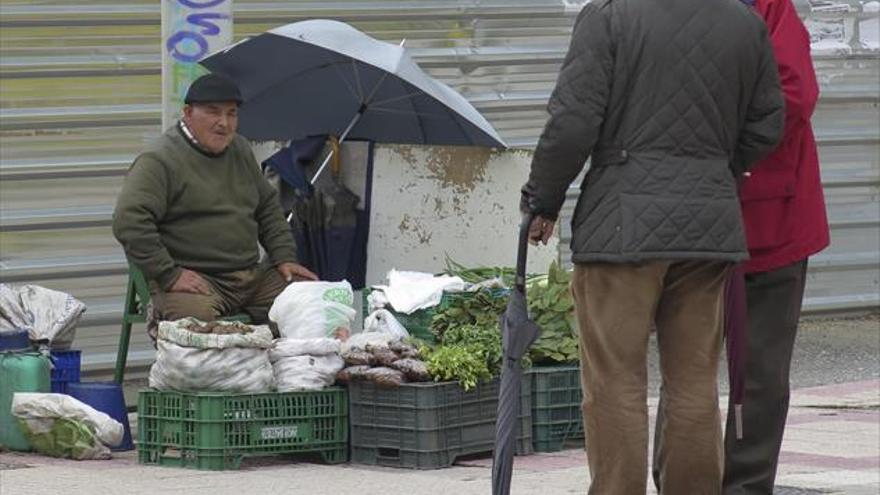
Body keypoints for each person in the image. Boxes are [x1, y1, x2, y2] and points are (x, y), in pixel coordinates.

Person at [520, 0, 785, 492]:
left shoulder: (610, 15)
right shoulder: (744, 21)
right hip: (708, 229)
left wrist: (543, 200)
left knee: (615, 381)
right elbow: (768, 122)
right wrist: (714, 170)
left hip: (622, 227)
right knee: (694, 381)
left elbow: (574, 120)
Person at [113, 73, 317, 336]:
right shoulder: (160, 159)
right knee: (198, 332)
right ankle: (221, 376)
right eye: (213, 112)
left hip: (251, 277)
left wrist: (284, 256)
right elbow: (129, 220)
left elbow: (267, 207)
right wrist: (169, 274)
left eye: (232, 114)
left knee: (310, 302)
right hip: (198, 281)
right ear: (188, 113)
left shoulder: (240, 149)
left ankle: (291, 376)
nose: (224, 123)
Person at [721, 0, 830, 492]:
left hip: (771, 214)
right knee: (687, 371)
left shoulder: (767, 6)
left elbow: (795, 93)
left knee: (759, 372)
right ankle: (684, 479)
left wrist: (726, 150)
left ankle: (744, 485)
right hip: (693, 218)